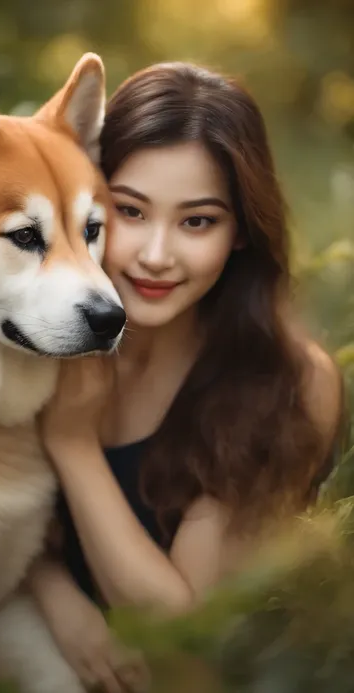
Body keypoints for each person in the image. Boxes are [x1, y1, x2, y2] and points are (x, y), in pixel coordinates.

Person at [30, 62, 344, 692]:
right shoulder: (34, 323)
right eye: (130, 211)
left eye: (197, 221)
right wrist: (58, 600)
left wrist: (72, 443)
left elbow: (184, 644)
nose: (155, 255)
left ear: (240, 234)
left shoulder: (288, 383)